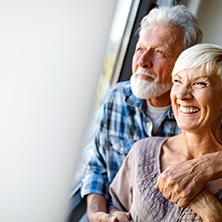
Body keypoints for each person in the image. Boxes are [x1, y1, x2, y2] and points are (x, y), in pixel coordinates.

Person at [81, 5, 203, 222]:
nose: (142, 61)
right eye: (140, 49)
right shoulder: (116, 98)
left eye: (159, 52)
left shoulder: (199, 115)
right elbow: (97, 165)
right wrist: (96, 214)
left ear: (184, 64)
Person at [109, 43, 222, 221]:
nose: (182, 95)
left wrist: (214, 214)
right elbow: (116, 207)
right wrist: (116, 217)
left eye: (200, 83)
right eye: (177, 81)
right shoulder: (142, 151)